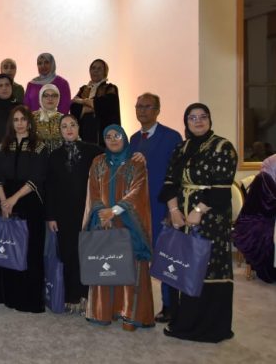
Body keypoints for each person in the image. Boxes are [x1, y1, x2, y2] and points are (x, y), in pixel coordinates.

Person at [160, 103, 237, 343]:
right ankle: (184, 322)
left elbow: (221, 187)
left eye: (203, 117)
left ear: (210, 120)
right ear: (186, 122)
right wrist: (174, 210)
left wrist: (198, 211)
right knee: (184, 268)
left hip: (211, 219)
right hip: (181, 219)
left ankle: (209, 327)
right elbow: (170, 182)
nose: (198, 121)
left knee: (207, 268)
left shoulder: (222, 147)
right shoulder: (181, 148)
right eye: (192, 118)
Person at [84, 124, 154, 331]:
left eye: (117, 135)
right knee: (105, 265)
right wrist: (102, 213)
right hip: (103, 222)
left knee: (130, 265)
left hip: (128, 222)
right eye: (108, 137)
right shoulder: (98, 162)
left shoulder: (136, 162)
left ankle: (130, 315)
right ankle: (103, 311)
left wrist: (114, 211)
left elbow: (138, 191)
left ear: (124, 137)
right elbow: (93, 190)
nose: (113, 140)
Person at [128, 92, 182, 322]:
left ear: (158, 110)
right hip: (138, 208)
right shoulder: (133, 139)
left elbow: (178, 176)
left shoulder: (171, 137)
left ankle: (170, 305)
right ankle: (139, 303)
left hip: (162, 207)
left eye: (147, 106)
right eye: (139, 106)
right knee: (139, 258)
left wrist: (173, 209)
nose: (142, 110)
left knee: (166, 257)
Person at [0, 106, 48, 313]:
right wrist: (4, 201)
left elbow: (38, 177)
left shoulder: (39, 146)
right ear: (11, 123)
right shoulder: (2, 146)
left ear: (29, 122)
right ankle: (9, 296)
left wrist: (13, 199)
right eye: (15, 119)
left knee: (29, 251)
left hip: (29, 203)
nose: (20, 123)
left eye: (23, 119)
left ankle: (29, 300)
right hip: (4, 202)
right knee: (6, 248)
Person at [46, 115, 103, 313]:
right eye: (64, 126)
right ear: (59, 131)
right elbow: (49, 188)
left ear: (78, 127)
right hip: (63, 213)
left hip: (87, 211)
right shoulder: (54, 156)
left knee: (87, 253)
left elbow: (115, 156)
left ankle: (87, 296)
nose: (69, 129)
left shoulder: (94, 151)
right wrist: (51, 216)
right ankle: (71, 297)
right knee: (68, 253)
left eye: (72, 125)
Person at [234, 154, 276, 283]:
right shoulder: (264, 179)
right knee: (268, 236)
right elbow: (268, 205)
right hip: (257, 220)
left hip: (267, 217)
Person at [70, 59, 120, 145]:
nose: (95, 71)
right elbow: (73, 108)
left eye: (99, 68)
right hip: (83, 133)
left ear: (105, 72)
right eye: (93, 68)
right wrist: (91, 105)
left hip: (103, 135)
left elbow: (106, 106)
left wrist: (82, 102)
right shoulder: (83, 89)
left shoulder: (110, 88)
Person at [34, 84, 63, 153]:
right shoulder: (32, 117)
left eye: (54, 95)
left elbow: (74, 140)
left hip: (60, 157)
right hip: (36, 156)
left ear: (58, 98)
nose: (50, 99)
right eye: (46, 95)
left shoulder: (64, 119)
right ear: (40, 98)